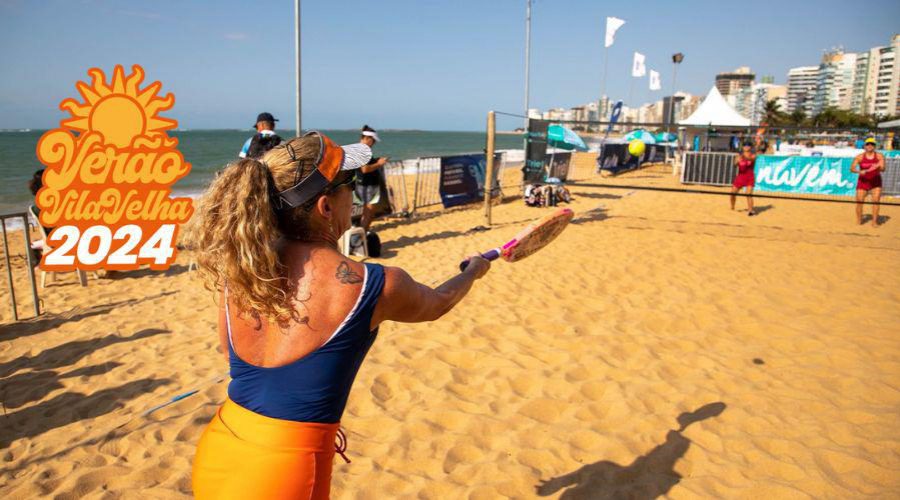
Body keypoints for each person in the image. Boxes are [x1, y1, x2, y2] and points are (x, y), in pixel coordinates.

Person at [189, 132, 490, 499]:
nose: (355, 190)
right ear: (325, 207)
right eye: (350, 182)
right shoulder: (373, 284)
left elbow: (229, 353)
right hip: (286, 468)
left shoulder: (243, 269)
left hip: (221, 445)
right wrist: (473, 270)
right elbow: (438, 302)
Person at [354, 125, 389, 233]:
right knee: (368, 213)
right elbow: (364, 169)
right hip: (367, 186)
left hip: (362, 184)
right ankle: (362, 235)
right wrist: (379, 164)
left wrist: (375, 161)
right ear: (368, 139)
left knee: (366, 212)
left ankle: (361, 234)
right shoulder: (362, 150)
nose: (374, 144)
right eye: (373, 141)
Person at [850, 137, 885, 227]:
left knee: (876, 201)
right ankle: (859, 220)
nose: (870, 146)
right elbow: (852, 168)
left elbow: (883, 169)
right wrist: (859, 171)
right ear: (865, 146)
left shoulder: (879, 156)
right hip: (863, 181)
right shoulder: (860, 156)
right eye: (868, 144)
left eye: (872, 144)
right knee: (859, 202)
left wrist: (877, 167)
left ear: (874, 146)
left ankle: (874, 222)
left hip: (875, 181)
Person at [730, 142, 757, 216]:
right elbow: (734, 165)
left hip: (749, 177)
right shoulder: (738, 156)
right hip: (740, 177)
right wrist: (736, 161)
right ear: (743, 147)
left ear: (750, 147)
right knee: (732, 193)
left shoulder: (753, 155)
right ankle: (732, 207)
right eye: (745, 145)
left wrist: (742, 157)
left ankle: (750, 211)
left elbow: (751, 159)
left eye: (748, 145)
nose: (746, 146)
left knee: (748, 194)